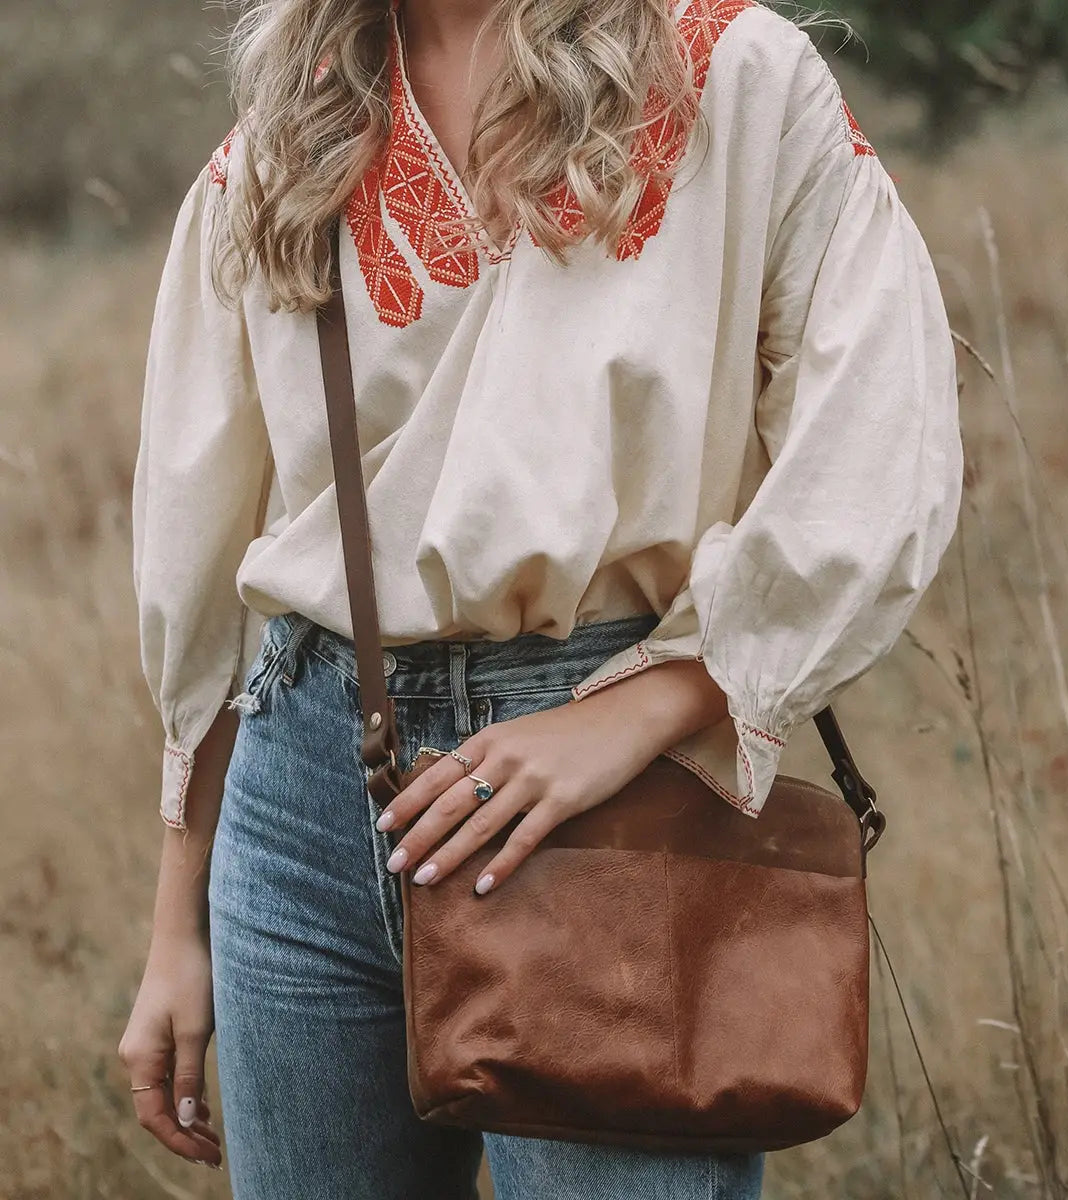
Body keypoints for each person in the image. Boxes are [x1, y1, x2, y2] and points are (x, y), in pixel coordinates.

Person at [118, 0, 963, 1194]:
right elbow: (193, 535)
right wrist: (178, 923)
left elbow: (880, 438)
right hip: (306, 785)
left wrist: (643, 707)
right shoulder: (293, 114)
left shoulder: (732, 73)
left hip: (607, 794)